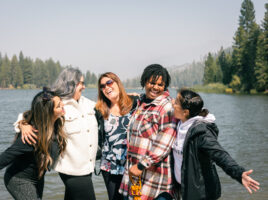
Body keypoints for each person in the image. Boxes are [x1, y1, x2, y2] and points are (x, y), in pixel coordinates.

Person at [15, 67, 98, 200]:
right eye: (81, 83)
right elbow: (29, 115)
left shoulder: (88, 104)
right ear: (70, 84)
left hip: (88, 167)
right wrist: (23, 124)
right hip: (71, 170)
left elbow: (110, 107)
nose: (84, 87)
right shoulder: (57, 104)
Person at [0, 88, 67, 200]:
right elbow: (5, 157)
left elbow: (27, 114)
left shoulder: (55, 124)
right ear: (48, 112)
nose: (63, 105)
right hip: (19, 179)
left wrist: (22, 123)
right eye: (59, 105)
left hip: (37, 178)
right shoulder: (32, 136)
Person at [171, 88, 260, 200]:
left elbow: (220, 155)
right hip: (184, 189)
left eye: (176, 102)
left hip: (201, 193)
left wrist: (239, 173)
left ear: (185, 112)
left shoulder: (201, 133)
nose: (173, 102)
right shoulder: (181, 124)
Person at [119, 64, 178, 200]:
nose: (156, 87)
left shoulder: (167, 107)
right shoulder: (141, 103)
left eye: (160, 85)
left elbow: (163, 145)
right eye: (152, 83)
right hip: (135, 175)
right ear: (144, 81)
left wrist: (141, 165)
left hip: (155, 178)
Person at [95, 72, 139, 200]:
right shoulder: (99, 110)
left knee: (136, 198)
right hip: (109, 168)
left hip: (133, 167)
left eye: (109, 83)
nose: (106, 87)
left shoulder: (135, 103)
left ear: (117, 83)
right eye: (102, 86)